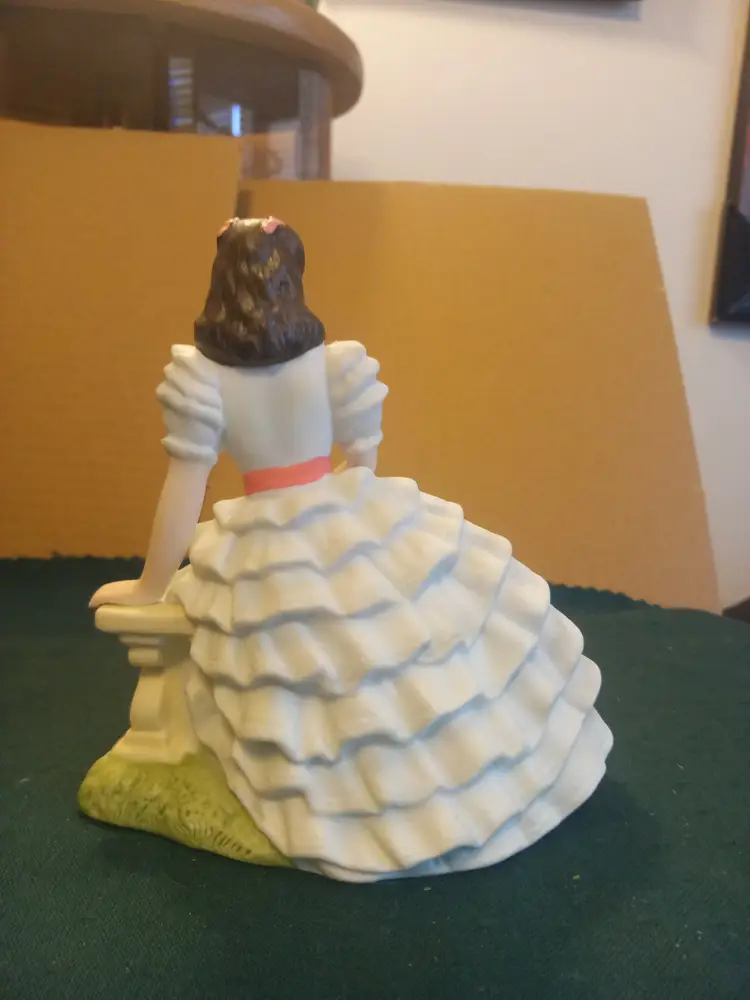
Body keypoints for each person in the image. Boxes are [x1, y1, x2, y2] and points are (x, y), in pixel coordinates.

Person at [90, 217, 613, 882]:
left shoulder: (203, 375)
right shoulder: (334, 362)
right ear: (292, 279)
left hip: (263, 538)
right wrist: (335, 511)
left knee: (321, 658)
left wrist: (151, 583)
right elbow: (361, 461)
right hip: (341, 508)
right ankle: (439, 782)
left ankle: (363, 799)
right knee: (408, 635)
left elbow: (185, 487)